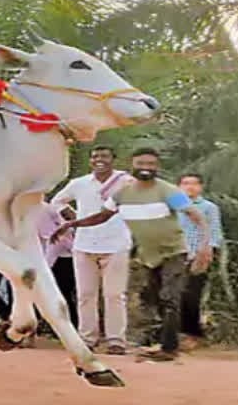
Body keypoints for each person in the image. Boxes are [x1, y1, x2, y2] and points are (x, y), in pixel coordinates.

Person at [57, 148, 210, 361]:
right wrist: (73, 223)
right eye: (141, 164)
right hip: (148, 255)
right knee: (154, 299)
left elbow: (195, 215)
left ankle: (166, 348)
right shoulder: (123, 193)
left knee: (168, 298)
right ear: (132, 165)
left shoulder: (166, 191)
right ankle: (156, 343)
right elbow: (102, 216)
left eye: (150, 164)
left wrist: (205, 246)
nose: (145, 168)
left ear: (157, 167)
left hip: (172, 252)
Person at [50, 146, 133, 353]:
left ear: (114, 159)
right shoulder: (80, 183)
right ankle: (87, 339)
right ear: (90, 161)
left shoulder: (126, 182)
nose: (99, 160)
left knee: (114, 295)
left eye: (104, 156)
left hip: (116, 244)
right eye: (95, 156)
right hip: (84, 243)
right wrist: (72, 217)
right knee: (86, 294)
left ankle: (116, 340)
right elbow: (56, 201)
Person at [176, 173, 224, 344]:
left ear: (201, 187)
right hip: (174, 255)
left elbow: (215, 232)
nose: (190, 187)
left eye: (194, 184)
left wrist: (208, 252)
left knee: (192, 294)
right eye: (186, 183)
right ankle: (173, 332)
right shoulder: (173, 204)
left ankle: (192, 332)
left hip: (198, 254)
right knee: (172, 295)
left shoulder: (208, 207)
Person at [34, 198, 78, 326]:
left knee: (62, 294)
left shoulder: (42, 210)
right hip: (52, 258)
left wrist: (46, 265)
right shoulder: (32, 210)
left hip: (61, 259)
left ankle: (72, 328)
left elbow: (56, 239)